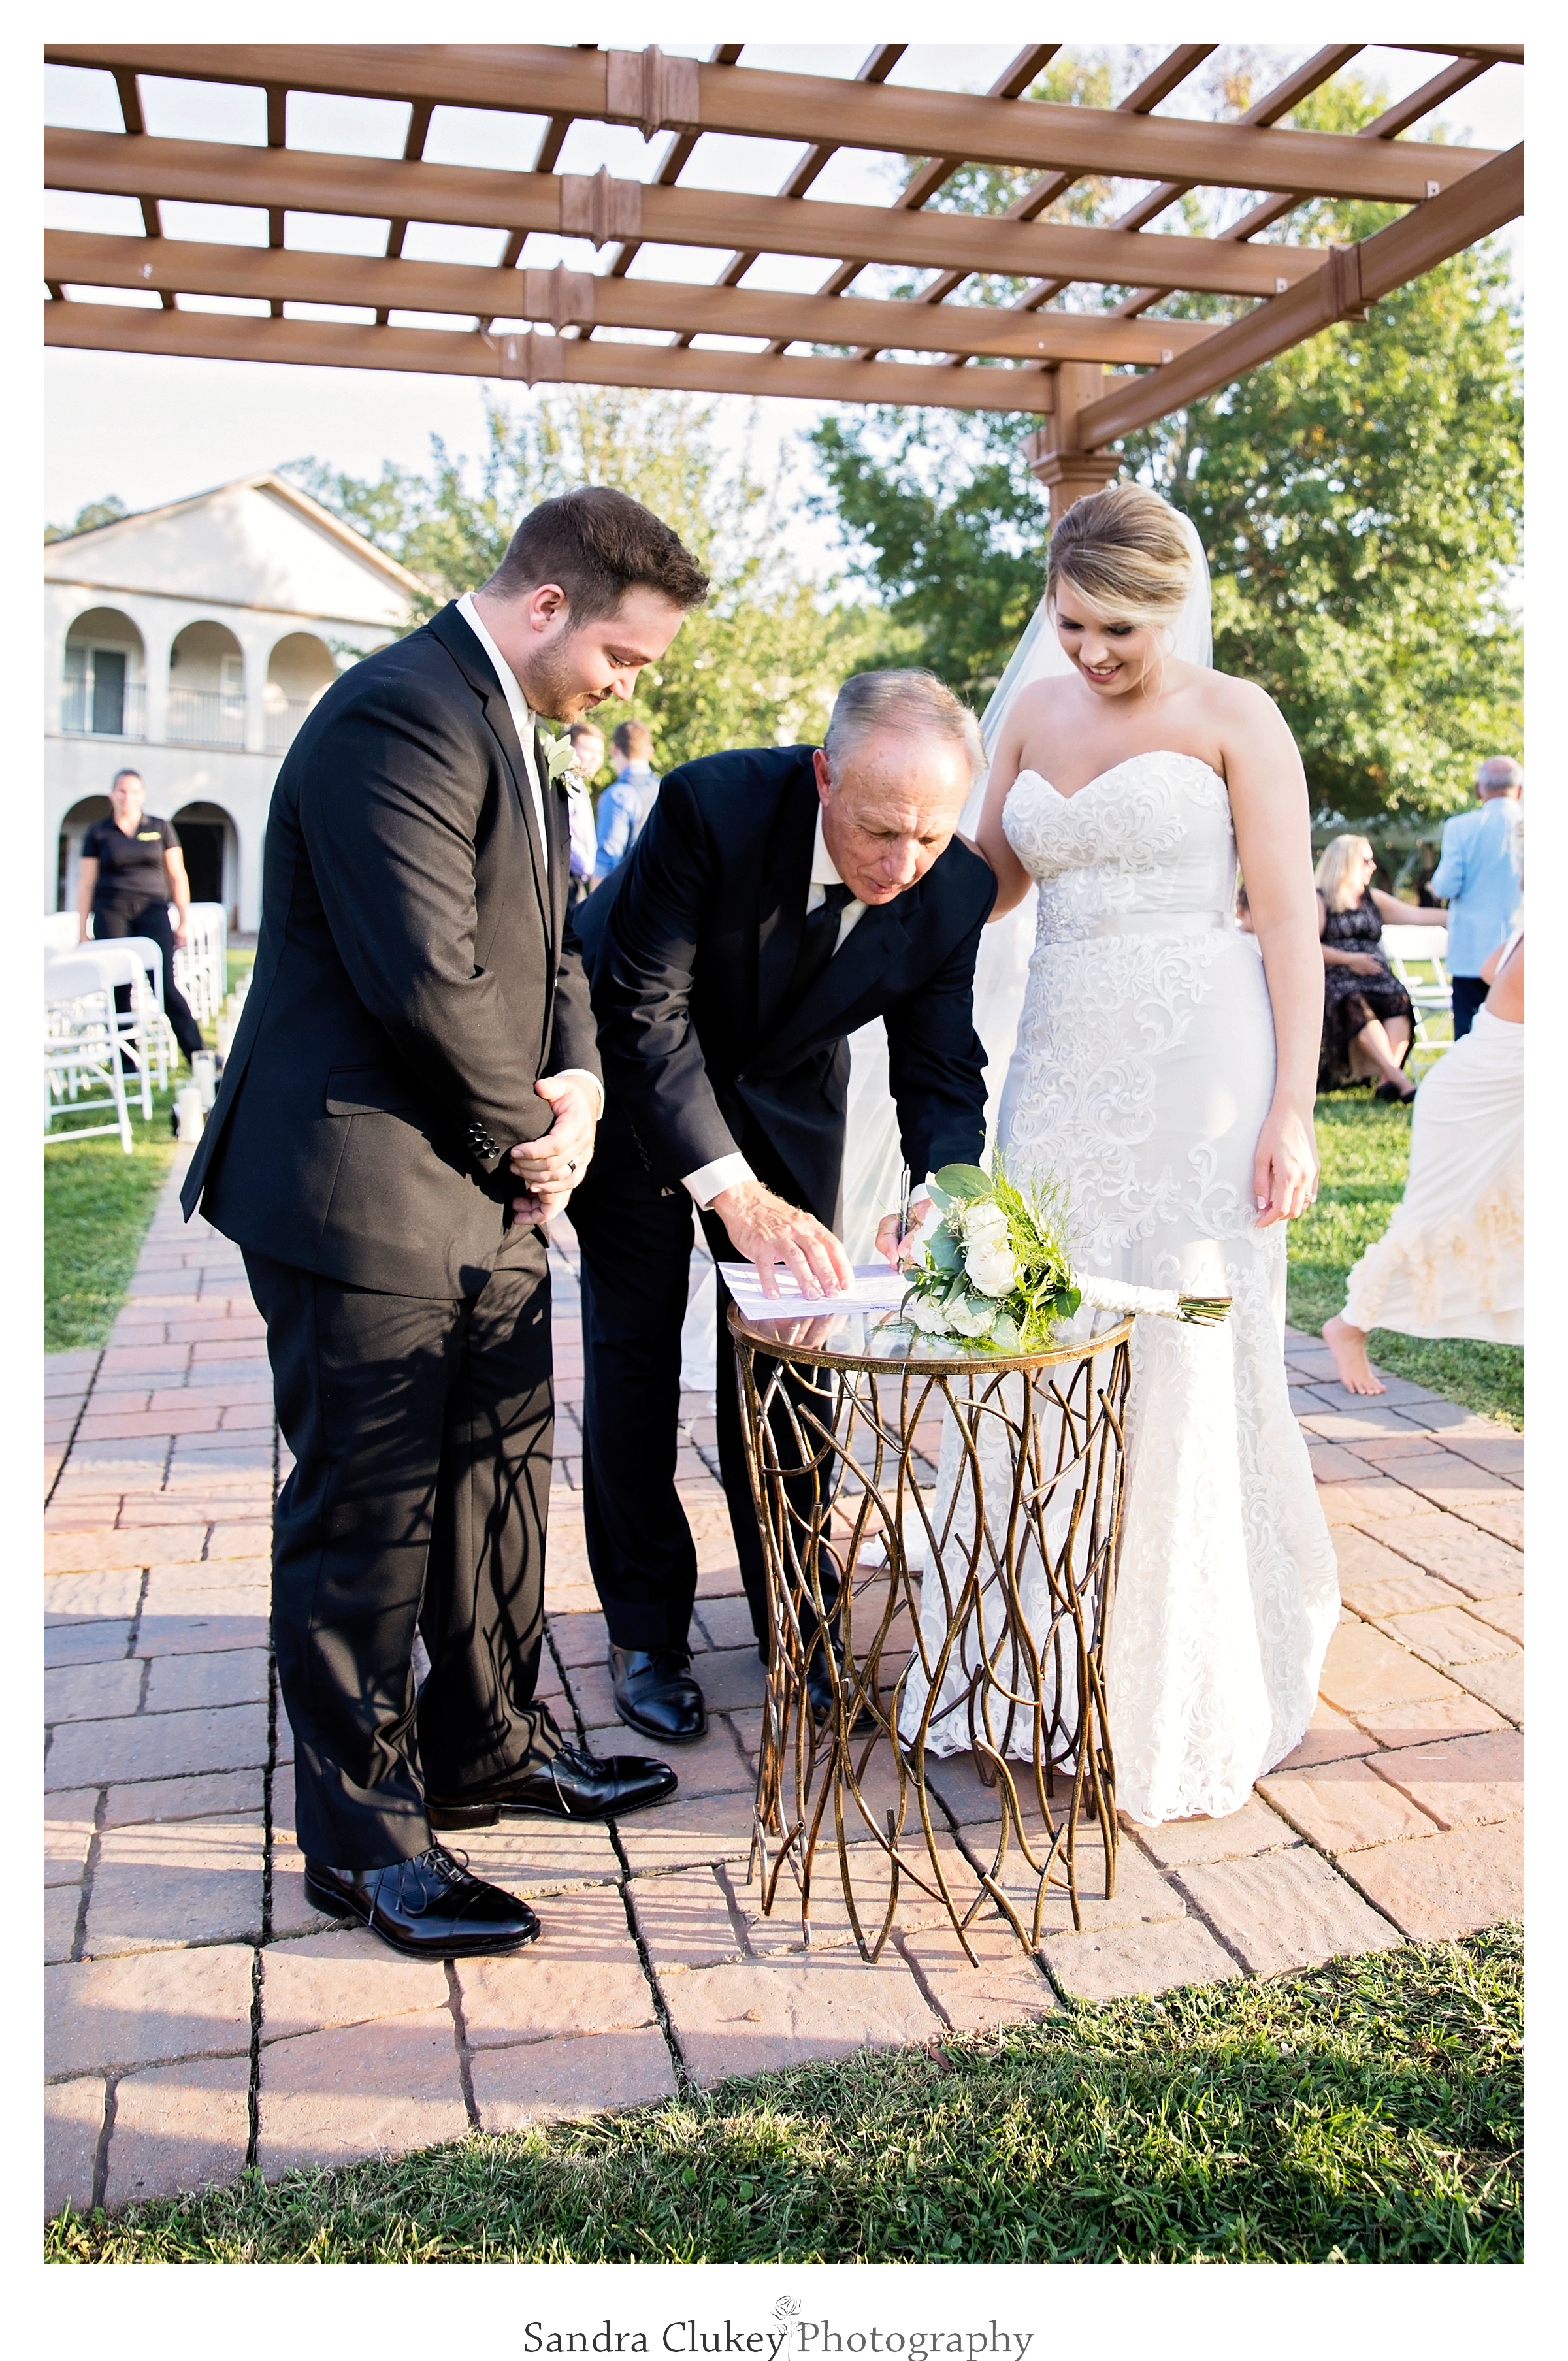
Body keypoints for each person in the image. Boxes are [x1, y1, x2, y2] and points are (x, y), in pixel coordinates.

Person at [180, 487, 710, 1960]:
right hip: (359, 1188)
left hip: (488, 1184)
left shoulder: (528, 749)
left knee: (496, 1483)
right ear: (548, 605)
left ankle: (488, 1749)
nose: (625, 685)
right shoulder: (394, 716)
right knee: (369, 1517)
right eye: (625, 654)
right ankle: (365, 1846)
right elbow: (428, 979)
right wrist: (543, 1138)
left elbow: (558, 963)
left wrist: (588, 1095)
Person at [900, 481, 1339, 1827]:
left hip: (1200, 1069)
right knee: (1044, 1332)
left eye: (1113, 630)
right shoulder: (1032, 715)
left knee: (1181, 1340)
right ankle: (1033, 1654)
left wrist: (1292, 1112)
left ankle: (1175, 1666)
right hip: (1058, 1063)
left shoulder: (1234, 718)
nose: (1088, 650)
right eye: (1071, 622)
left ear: (1171, 605)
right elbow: (981, 882)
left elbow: (1288, 918)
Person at [567, 671, 996, 1744]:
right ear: (823, 777)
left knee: (793, 1365)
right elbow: (645, 1009)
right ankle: (647, 1633)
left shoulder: (954, 889)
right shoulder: (710, 805)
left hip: (789, 1096)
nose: (903, 866)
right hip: (633, 1080)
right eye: (880, 830)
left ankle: (797, 1625)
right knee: (635, 1352)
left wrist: (946, 1189)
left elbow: (942, 1069)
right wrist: (732, 1192)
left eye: (930, 837)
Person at [1324, 931, 1523, 1393]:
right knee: (1434, 1222)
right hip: (1471, 1107)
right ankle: (1350, 1324)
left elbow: (1494, 969)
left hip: (1499, 1100)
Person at [76, 768, 205, 1064]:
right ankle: (126, 1062)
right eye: (121, 791)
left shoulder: (160, 827)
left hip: (153, 912)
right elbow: (85, 883)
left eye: (134, 791)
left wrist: (184, 919)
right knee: (119, 988)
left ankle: (199, 1055)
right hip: (112, 913)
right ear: (112, 794)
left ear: (142, 795)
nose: (127, 797)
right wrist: (82, 929)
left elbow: (178, 876)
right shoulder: (98, 832)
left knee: (165, 986)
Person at [1315, 834, 1445, 1103]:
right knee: (1354, 1003)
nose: (1373, 866)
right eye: (1367, 860)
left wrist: (1467, 916)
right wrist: (1349, 960)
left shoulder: (1372, 898)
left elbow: (1416, 916)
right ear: (1348, 862)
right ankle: (1399, 1080)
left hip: (1377, 977)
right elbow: (1309, 946)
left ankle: (1389, 1078)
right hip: (1339, 976)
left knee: (1397, 999)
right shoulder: (1320, 899)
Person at [1429, 755, 1524, 1038]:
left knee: (1470, 1037)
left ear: (1478, 790)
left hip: (1472, 952)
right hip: (1520, 951)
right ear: (1520, 790)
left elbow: (1445, 886)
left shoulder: (1460, 827)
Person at [593, 719, 661, 881]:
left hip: (629, 895)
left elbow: (607, 861)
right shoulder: (665, 788)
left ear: (614, 750)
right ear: (650, 751)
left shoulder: (618, 795)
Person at [565, 720, 606, 903]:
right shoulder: (565, 782)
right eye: (589, 750)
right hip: (567, 878)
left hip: (576, 882)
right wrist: (588, 868)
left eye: (600, 753)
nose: (595, 758)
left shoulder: (579, 784)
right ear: (571, 749)